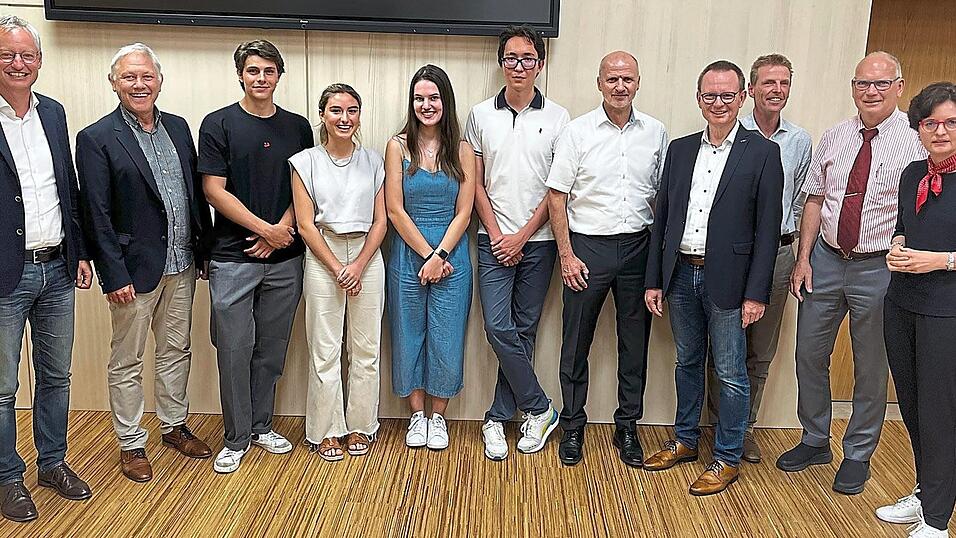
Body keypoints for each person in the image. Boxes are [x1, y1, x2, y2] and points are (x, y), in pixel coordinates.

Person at [777, 51, 927, 495]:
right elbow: (815, 198)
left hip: (879, 267)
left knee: (870, 366)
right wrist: (803, 258)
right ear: (853, 88)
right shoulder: (835, 136)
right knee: (808, 354)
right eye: (863, 83)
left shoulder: (916, 141)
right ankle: (814, 439)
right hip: (825, 259)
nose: (871, 91)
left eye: (881, 83)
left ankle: (858, 453)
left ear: (899, 88)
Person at [642, 60, 783, 495]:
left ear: (742, 97)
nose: (718, 103)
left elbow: (768, 231)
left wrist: (756, 293)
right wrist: (654, 280)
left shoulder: (762, 153)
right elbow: (663, 219)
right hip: (681, 275)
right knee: (686, 362)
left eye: (726, 95)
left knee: (730, 372)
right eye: (709, 95)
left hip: (731, 282)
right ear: (698, 99)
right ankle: (685, 440)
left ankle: (726, 457)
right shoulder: (681, 150)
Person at [78, 43, 213, 482]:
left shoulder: (178, 127)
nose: (139, 84)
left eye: (146, 76)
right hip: (132, 272)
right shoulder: (97, 138)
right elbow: (95, 213)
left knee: (176, 350)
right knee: (127, 360)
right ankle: (131, 443)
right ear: (113, 83)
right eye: (129, 77)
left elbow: (192, 194)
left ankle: (173, 425)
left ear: (159, 81)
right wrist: (112, 273)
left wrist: (203, 250)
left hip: (182, 263)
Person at [546, 51, 667, 467]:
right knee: (575, 341)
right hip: (587, 249)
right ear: (599, 83)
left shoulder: (655, 132)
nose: (620, 86)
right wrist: (566, 255)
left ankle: (627, 426)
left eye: (627, 79)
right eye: (612, 79)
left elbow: (662, 197)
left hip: (638, 249)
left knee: (634, 344)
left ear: (638, 82)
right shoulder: (577, 132)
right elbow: (557, 196)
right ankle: (573, 425)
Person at [199, 40, 313, 473]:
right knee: (234, 349)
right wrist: (264, 230)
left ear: (279, 75)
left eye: (268, 70)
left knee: (271, 348)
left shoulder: (298, 127)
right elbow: (213, 190)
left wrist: (281, 231)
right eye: (252, 70)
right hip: (233, 257)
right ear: (240, 75)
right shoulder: (218, 123)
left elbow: (305, 187)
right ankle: (236, 437)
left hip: (285, 258)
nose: (260, 78)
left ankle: (262, 426)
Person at [0, 15, 93, 523]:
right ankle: (7, 477)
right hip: (5, 274)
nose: (18, 63)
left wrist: (79, 252)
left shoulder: (53, 113)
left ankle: (52, 463)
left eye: (27, 55)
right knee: (2, 388)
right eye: (7, 55)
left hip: (56, 267)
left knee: (56, 376)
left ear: (39, 61)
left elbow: (67, 188)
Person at [464, 24, 569, 461]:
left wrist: (522, 236)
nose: (519, 66)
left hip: (540, 242)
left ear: (539, 64)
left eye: (527, 58)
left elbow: (556, 189)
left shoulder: (558, 117)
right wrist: (497, 234)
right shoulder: (479, 115)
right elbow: (474, 183)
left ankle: (498, 417)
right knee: (497, 326)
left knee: (524, 329)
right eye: (511, 58)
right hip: (492, 240)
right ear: (501, 63)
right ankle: (540, 407)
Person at [705, 53, 812, 463]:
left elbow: (800, 202)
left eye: (784, 83)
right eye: (768, 82)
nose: (776, 90)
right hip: (732, 254)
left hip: (779, 253)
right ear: (750, 90)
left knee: (760, 351)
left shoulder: (799, 141)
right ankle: (719, 426)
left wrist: (799, 256)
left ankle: (744, 428)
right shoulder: (730, 130)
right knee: (722, 348)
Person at [874, 82, 956, 538]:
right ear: (918, 128)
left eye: (950, 122)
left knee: (941, 414)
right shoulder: (912, 174)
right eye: (930, 123)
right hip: (902, 304)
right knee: (913, 408)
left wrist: (940, 261)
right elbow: (904, 225)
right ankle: (926, 493)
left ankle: (938, 520)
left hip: (947, 313)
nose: (939, 131)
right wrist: (899, 245)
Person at [290, 83, 386, 462]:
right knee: (325, 348)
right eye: (336, 110)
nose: (344, 118)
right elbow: (305, 224)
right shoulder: (305, 162)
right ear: (322, 115)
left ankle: (361, 424)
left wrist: (358, 265)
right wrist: (337, 267)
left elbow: (381, 221)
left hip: (367, 255)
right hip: (322, 253)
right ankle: (327, 430)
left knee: (366, 348)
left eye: (351, 110)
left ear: (359, 116)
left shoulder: (373, 161)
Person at [385, 64, 475, 451]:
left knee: (447, 336)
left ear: (445, 101)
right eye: (419, 98)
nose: (426, 105)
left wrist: (441, 255)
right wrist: (428, 255)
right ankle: (416, 416)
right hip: (408, 253)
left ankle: (438, 417)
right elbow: (394, 210)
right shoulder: (397, 146)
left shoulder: (463, 150)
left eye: (434, 98)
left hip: (452, 257)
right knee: (408, 334)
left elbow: (464, 212)